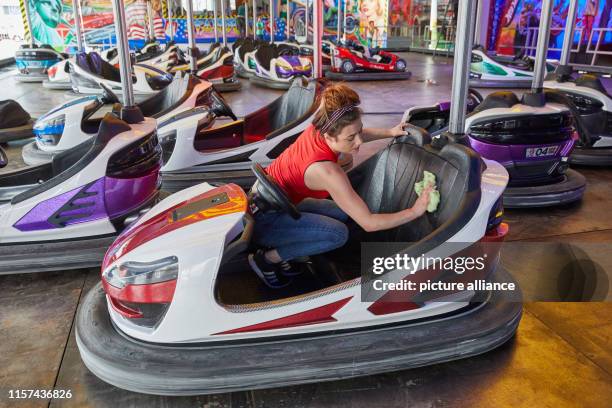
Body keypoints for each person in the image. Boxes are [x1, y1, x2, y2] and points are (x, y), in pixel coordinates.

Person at [248, 84, 433, 288]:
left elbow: (353, 132)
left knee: (341, 213)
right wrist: (414, 211)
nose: (359, 141)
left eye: (359, 132)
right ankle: (267, 259)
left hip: (271, 201)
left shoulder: (321, 126)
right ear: (329, 137)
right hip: (264, 221)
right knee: (338, 234)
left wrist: (390, 132)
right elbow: (369, 223)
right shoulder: (327, 171)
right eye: (351, 138)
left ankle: (288, 245)